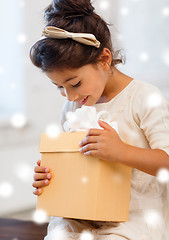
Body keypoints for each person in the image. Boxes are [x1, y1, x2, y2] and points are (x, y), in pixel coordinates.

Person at [30, 0, 169, 239]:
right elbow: (74, 161)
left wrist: (122, 151)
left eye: (75, 83)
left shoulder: (144, 98)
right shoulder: (72, 106)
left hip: (134, 220)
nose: (70, 95)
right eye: (59, 87)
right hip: (82, 215)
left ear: (104, 60)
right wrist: (49, 175)